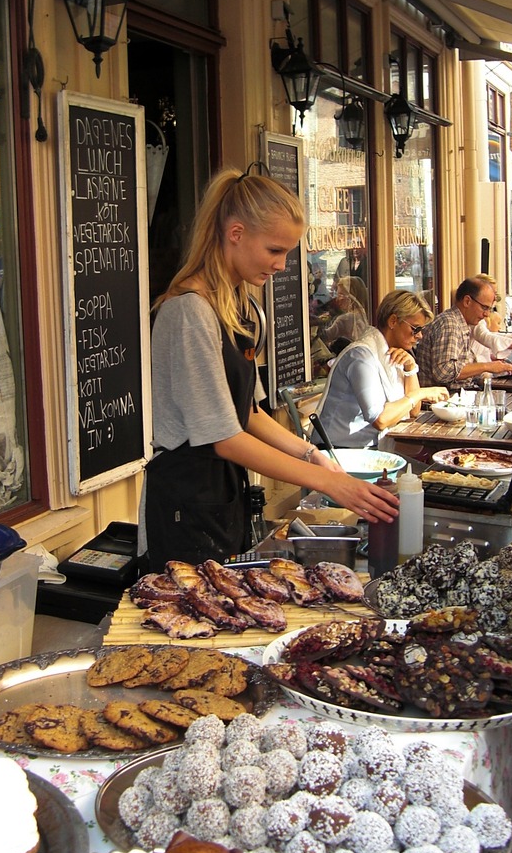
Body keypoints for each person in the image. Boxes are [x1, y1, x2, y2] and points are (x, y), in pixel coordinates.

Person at [141, 167, 398, 569]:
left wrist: (312, 454)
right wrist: (329, 482)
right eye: (274, 250)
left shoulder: (246, 309)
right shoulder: (188, 311)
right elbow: (224, 436)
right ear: (236, 234)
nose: (281, 265)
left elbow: (248, 413)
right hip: (185, 501)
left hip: (226, 493)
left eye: (287, 253)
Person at [309, 291, 450, 448]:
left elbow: (413, 411)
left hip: (368, 449)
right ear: (393, 321)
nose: (420, 336)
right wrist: (422, 393)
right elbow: (380, 420)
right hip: (338, 451)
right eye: (416, 329)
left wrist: (410, 369)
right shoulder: (361, 356)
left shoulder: (392, 352)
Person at [414, 275, 512, 388]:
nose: (487, 314)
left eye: (489, 309)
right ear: (467, 301)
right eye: (484, 308)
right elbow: (444, 372)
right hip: (445, 399)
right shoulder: (449, 324)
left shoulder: (460, 323)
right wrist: (487, 366)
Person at [320, 275, 369, 351]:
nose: (337, 299)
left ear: (350, 297)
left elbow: (325, 337)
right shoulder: (365, 314)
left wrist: (319, 321)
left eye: (340, 294)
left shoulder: (345, 319)